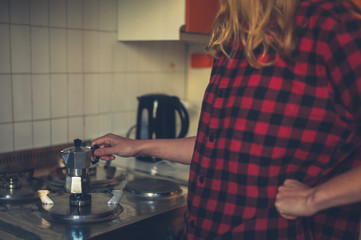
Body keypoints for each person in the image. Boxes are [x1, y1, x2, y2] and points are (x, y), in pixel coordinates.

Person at [92, 0, 361, 239]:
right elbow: (219, 148)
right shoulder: (233, 39)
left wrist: (313, 198)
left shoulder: (330, 22)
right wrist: (137, 146)